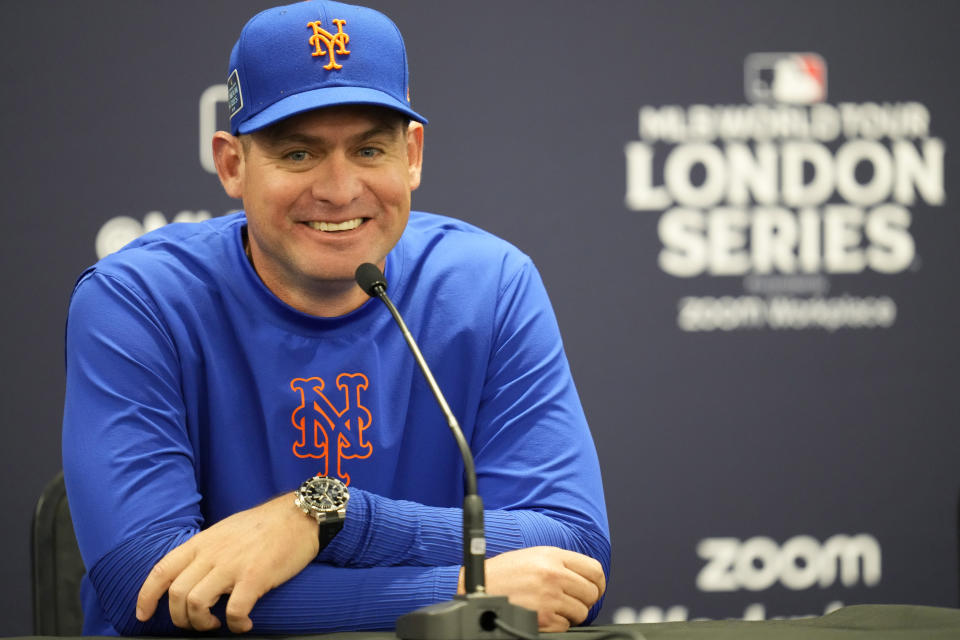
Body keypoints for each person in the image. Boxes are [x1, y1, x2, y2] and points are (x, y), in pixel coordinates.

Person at [62, 0, 610, 635]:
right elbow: (149, 590)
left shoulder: (488, 285)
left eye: (371, 150)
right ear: (233, 165)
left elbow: (572, 553)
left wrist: (329, 515)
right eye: (299, 155)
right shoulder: (138, 300)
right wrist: (461, 593)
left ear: (413, 155)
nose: (339, 189)